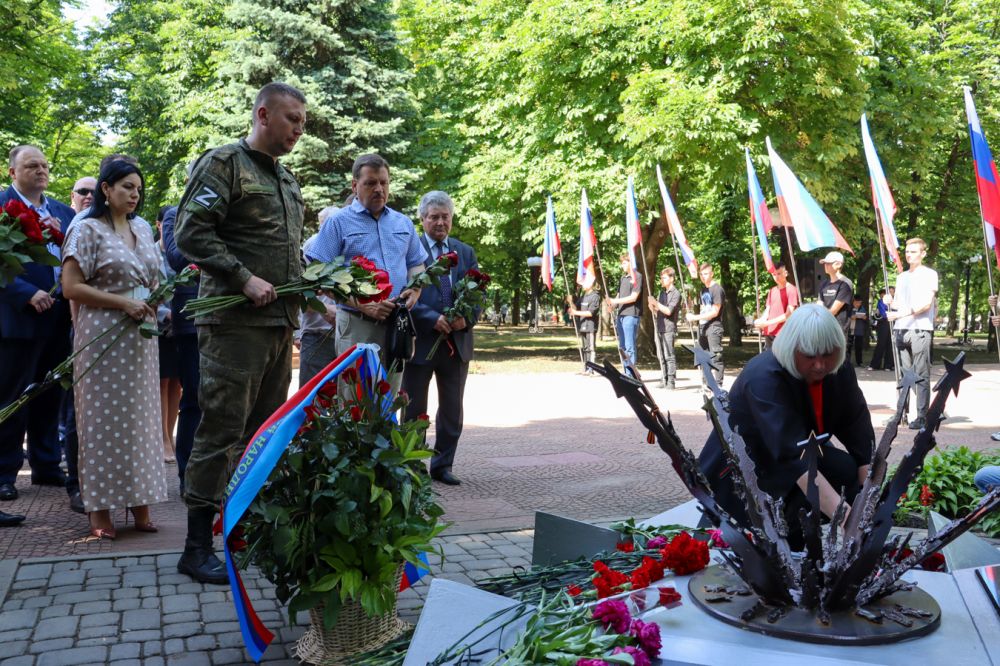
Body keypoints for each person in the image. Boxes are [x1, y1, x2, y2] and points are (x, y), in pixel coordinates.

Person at [174, 82, 308, 584]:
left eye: (303, 122)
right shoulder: (224, 164)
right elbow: (191, 232)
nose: (299, 130)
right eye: (292, 119)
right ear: (263, 115)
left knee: (262, 433)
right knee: (222, 429)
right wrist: (242, 277)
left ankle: (244, 530)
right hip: (234, 325)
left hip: (278, 324)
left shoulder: (287, 179)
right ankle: (195, 547)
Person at [698, 304, 873, 549]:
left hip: (789, 458)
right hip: (741, 473)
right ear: (790, 349)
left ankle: (796, 534)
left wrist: (868, 501)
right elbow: (794, 459)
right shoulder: (764, 377)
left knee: (844, 469)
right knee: (746, 544)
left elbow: (858, 430)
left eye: (828, 354)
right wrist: (847, 519)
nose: (820, 365)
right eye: (810, 356)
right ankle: (781, 541)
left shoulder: (839, 371)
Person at [61, 159, 167, 540]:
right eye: (126, 187)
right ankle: (100, 511)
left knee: (141, 421)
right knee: (102, 422)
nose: (134, 194)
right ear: (105, 189)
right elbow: (71, 287)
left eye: (138, 188)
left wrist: (157, 298)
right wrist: (123, 303)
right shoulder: (86, 229)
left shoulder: (142, 228)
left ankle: (141, 504)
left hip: (141, 338)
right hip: (103, 333)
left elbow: (155, 277)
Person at [306, 153, 427, 390]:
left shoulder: (403, 223)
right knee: (355, 398)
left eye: (383, 182)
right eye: (370, 183)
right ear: (355, 185)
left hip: (396, 323)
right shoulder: (338, 223)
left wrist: (415, 289)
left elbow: (416, 264)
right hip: (356, 323)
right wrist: (363, 305)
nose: (379, 189)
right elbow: (318, 275)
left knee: (389, 397)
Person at [0, 145, 75, 524]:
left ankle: (46, 464)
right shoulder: (2, 207)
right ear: (12, 172)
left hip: (60, 315)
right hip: (19, 318)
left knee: (50, 393)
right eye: (32, 165)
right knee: (14, 396)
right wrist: (25, 293)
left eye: (44, 165)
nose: (41, 170)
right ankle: (4, 473)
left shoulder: (63, 212)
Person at [402, 191, 478, 486]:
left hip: (455, 345)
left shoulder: (465, 252)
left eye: (445, 217)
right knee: (413, 409)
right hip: (420, 343)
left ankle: (442, 465)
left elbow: (478, 294)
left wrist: (465, 318)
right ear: (422, 219)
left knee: (452, 411)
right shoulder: (412, 251)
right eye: (434, 217)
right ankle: (411, 465)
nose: (440, 222)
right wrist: (430, 318)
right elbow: (404, 293)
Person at [161, 202, 200, 493]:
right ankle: (189, 476)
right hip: (192, 320)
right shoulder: (176, 214)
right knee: (195, 398)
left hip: (232, 316)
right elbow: (176, 258)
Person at [888, 238, 938, 430]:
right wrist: (890, 302)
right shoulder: (902, 277)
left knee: (921, 374)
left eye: (914, 251)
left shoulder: (929, 274)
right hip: (901, 329)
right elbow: (900, 304)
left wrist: (900, 313)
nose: (909, 255)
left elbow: (926, 304)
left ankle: (922, 416)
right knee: (904, 375)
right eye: (907, 251)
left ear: (923, 254)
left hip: (920, 329)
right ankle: (901, 413)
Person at [297, 205, 341, 387]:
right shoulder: (312, 246)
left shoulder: (349, 244)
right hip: (316, 334)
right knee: (312, 395)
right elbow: (298, 290)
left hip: (344, 335)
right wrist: (323, 309)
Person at [155, 206, 181, 464]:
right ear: (159, 225)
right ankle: (162, 439)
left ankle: (170, 436)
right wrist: (164, 313)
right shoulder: (151, 252)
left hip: (181, 327)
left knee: (176, 383)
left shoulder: (182, 253)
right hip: (159, 326)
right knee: (162, 382)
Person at [686, 263, 725, 384]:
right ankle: (706, 384)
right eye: (701, 274)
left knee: (716, 357)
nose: (703, 277)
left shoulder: (717, 289)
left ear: (712, 274)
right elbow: (704, 308)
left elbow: (714, 312)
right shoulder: (703, 290)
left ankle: (718, 385)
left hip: (714, 326)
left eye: (706, 274)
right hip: (703, 326)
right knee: (703, 357)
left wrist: (695, 317)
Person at [606, 254, 642, 371]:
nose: (622, 265)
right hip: (620, 315)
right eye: (621, 263)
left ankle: (631, 374)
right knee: (622, 346)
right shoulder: (623, 278)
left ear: (631, 263)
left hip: (631, 315)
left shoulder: (637, 276)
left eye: (624, 263)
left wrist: (615, 301)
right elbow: (619, 295)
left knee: (629, 346)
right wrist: (613, 305)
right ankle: (626, 371)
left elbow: (633, 297)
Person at [647, 267, 681, 388]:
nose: (662, 280)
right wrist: (652, 306)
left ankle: (671, 381)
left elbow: (668, 311)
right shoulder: (662, 293)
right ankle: (664, 377)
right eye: (661, 278)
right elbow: (658, 311)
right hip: (659, 326)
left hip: (668, 328)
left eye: (664, 278)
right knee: (660, 355)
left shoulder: (676, 294)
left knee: (669, 355)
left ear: (672, 279)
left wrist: (656, 303)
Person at [753, 262, 800, 350]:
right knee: (769, 357)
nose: (776, 277)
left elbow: (788, 314)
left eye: (779, 273)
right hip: (769, 332)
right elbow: (768, 310)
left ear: (785, 273)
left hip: (783, 334)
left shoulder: (791, 289)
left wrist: (766, 323)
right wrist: (761, 320)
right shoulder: (772, 290)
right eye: (774, 274)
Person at [817, 251, 854, 341]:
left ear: (838, 264)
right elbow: (819, 304)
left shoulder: (845, 284)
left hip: (838, 330)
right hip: (823, 328)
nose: (825, 265)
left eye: (828, 263)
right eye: (825, 263)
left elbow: (834, 310)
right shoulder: (823, 283)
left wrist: (819, 318)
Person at [568, 283, 601, 375]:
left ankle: (591, 369)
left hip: (590, 326)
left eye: (585, 283)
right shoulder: (583, 296)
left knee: (591, 348)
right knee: (585, 348)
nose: (582, 285)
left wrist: (576, 312)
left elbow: (590, 313)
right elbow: (576, 308)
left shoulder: (595, 296)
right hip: (582, 325)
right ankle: (586, 367)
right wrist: (571, 302)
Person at [868, 287, 895, 371]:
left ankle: (888, 365)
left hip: (893, 323)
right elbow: (883, 313)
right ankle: (875, 365)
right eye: (889, 292)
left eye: (892, 292)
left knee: (890, 344)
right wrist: (892, 314)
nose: (891, 293)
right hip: (884, 324)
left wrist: (893, 313)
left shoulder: (896, 301)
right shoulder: (881, 301)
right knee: (881, 344)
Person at [848, 296, 868, 367]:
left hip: (859, 330)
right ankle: (847, 362)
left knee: (859, 347)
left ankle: (859, 362)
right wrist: (851, 317)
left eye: (860, 303)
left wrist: (864, 318)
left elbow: (866, 317)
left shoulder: (862, 308)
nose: (858, 304)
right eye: (857, 303)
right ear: (853, 302)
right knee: (848, 346)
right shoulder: (849, 307)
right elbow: (846, 316)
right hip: (850, 330)